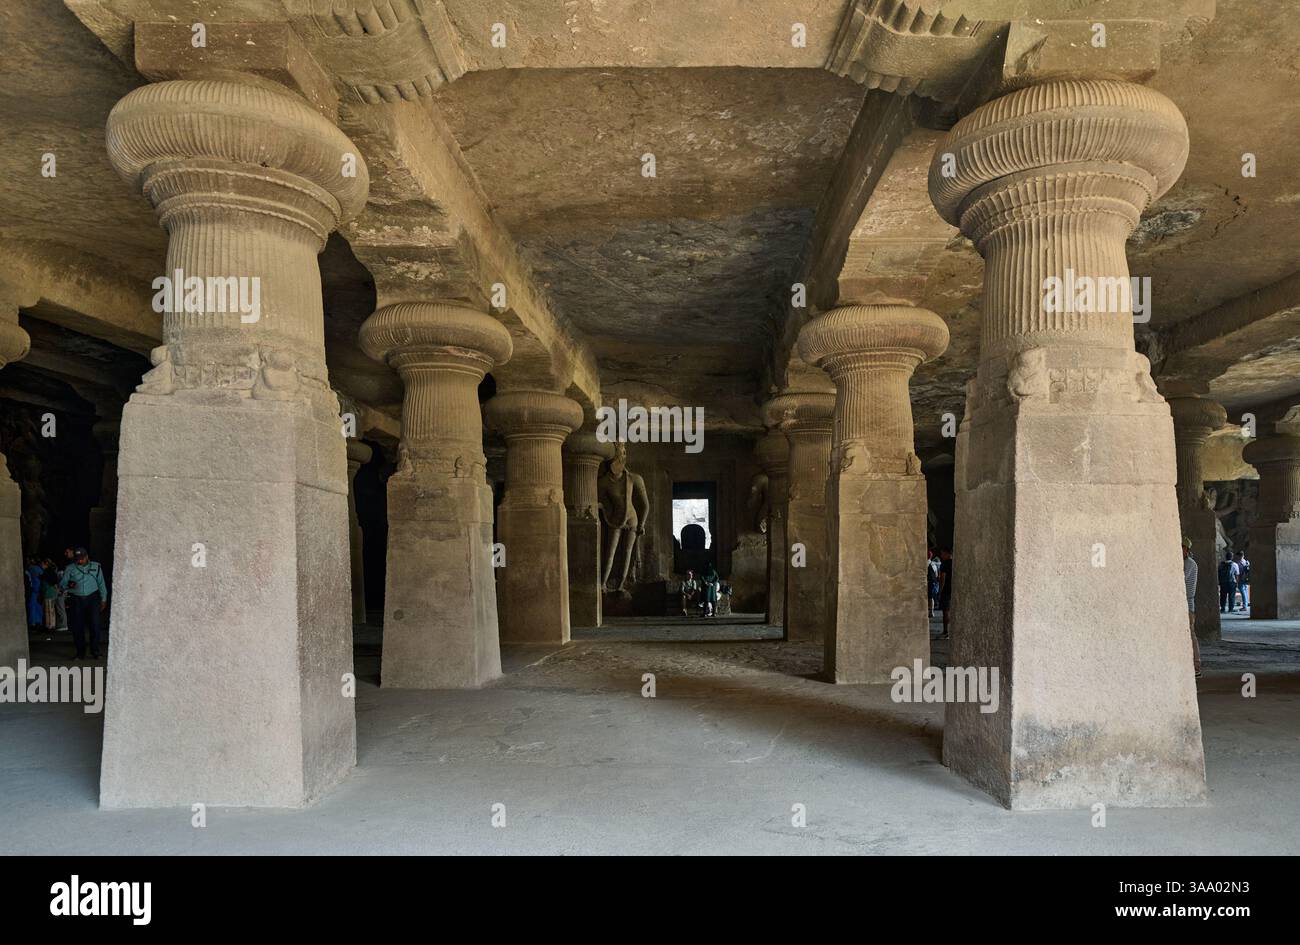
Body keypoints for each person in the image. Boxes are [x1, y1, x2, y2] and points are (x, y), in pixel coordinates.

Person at [60, 547, 108, 660]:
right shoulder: (70, 568)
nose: (80, 560)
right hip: (76, 599)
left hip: (93, 599)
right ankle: (80, 653)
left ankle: (95, 651)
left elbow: (101, 583)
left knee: (95, 625)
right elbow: (62, 584)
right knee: (77, 627)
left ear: (86, 557)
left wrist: (104, 599)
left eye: (82, 558)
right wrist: (68, 585)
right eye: (77, 558)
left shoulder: (96, 567)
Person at [1183, 537, 1201, 677]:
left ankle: (1196, 666)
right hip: (1181, 605)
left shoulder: (1189, 564)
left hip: (1187, 606)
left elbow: (1179, 579)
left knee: (1190, 635)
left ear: (1186, 549)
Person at [937, 548, 953, 639]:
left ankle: (946, 631)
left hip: (946, 590)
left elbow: (942, 578)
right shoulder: (955, 563)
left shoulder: (944, 564)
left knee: (946, 611)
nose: (941, 556)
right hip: (954, 589)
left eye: (942, 554)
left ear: (947, 554)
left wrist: (940, 591)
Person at [24, 557, 43, 630]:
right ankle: (39, 622)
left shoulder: (29, 569)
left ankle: (33, 622)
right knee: (38, 606)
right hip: (38, 590)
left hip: (33, 590)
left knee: (32, 606)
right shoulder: (39, 569)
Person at [1217, 550, 1239, 614]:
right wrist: (1237, 582)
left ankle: (1223, 608)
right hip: (1231, 582)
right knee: (1231, 595)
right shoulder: (1234, 564)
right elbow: (1237, 574)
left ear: (1226, 557)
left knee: (1223, 595)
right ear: (1232, 557)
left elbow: (1219, 573)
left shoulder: (1221, 564)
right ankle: (1230, 608)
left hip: (1223, 582)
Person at [926, 550, 941, 618]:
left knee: (926, 597)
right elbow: (936, 574)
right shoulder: (933, 564)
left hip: (927, 582)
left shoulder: (925, 563)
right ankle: (931, 611)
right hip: (933, 582)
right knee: (931, 597)